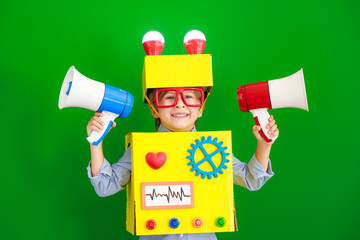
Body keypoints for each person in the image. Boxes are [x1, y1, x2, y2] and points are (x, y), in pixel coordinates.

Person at [86, 87, 279, 240]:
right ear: (154, 109)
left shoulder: (213, 150)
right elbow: (106, 186)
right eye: (169, 97)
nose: (180, 104)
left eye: (189, 96)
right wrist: (96, 143)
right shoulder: (141, 149)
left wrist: (264, 145)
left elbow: (251, 180)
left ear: (201, 108)